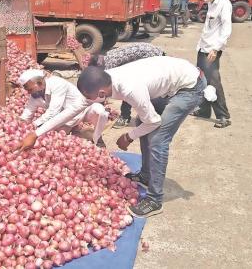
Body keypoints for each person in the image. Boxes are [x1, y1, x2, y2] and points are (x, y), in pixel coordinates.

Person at [77, 57, 206, 217]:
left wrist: (129, 136)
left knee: (158, 139)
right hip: (172, 81)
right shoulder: (106, 79)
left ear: (102, 93)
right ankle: (146, 176)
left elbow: (153, 122)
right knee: (140, 121)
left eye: (91, 97)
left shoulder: (129, 89)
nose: (89, 100)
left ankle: (154, 200)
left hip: (190, 87)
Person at [17, 69, 109, 150]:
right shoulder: (35, 95)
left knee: (100, 111)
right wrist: (20, 126)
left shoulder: (57, 83)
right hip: (64, 120)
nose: (28, 92)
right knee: (57, 142)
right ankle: (74, 130)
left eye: (30, 89)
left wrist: (34, 126)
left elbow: (53, 112)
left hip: (83, 111)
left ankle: (98, 139)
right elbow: (26, 115)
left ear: (39, 83)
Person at [89, 43, 165, 129]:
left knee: (130, 87)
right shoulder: (107, 57)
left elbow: (121, 87)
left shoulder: (109, 67)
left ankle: (125, 117)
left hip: (151, 56)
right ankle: (157, 112)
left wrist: (99, 105)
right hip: (153, 50)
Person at [192, 0, 232, 128]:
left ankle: (224, 116)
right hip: (203, 48)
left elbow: (226, 30)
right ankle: (204, 111)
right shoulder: (211, 3)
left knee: (214, 82)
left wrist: (215, 49)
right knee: (201, 80)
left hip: (211, 50)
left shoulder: (224, 4)